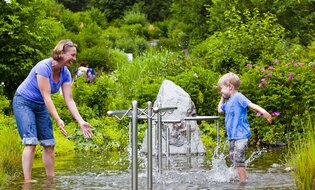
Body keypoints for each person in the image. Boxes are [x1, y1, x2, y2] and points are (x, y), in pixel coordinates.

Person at [12, 39, 94, 182]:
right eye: (72, 55)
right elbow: (46, 97)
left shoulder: (65, 73)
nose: (74, 59)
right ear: (61, 53)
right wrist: (57, 119)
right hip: (23, 102)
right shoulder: (43, 67)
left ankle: (50, 181)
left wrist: (81, 121)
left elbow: (69, 100)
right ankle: (28, 182)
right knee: (31, 142)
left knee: (49, 144)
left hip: (40, 105)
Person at [217, 72, 272, 184]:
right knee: (232, 159)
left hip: (241, 135)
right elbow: (220, 110)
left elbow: (251, 105)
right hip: (232, 137)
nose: (220, 91)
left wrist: (264, 112)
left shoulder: (238, 97)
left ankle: (243, 183)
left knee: (238, 158)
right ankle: (238, 178)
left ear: (230, 86)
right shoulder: (228, 102)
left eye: (221, 88)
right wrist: (222, 99)